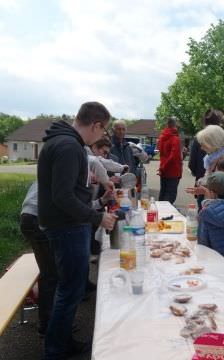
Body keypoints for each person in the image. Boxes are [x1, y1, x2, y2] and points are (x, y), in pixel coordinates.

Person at [37, 102, 117, 360]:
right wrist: (97, 217)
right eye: (103, 129)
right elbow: (63, 197)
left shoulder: (63, 141)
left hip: (65, 225)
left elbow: (67, 192)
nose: (102, 134)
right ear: (96, 125)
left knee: (69, 288)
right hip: (66, 227)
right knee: (70, 290)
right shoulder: (69, 146)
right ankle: (55, 351)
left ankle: (62, 342)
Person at [20, 182, 57, 337]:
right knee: (50, 275)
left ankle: (51, 322)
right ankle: (48, 326)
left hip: (27, 217)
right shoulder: (68, 169)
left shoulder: (46, 171)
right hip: (38, 219)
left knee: (48, 272)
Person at [156, 117, 182, 204]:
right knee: (170, 195)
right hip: (173, 171)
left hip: (163, 171)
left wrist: (162, 168)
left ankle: (158, 213)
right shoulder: (175, 138)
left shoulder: (162, 137)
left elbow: (162, 153)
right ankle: (164, 215)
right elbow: (174, 156)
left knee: (163, 193)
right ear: (175, 124)